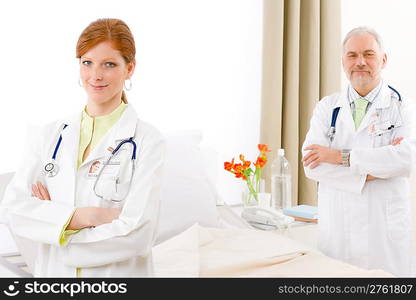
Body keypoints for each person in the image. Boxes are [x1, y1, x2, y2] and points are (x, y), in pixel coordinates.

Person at [0, 18, 165, 277]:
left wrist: (56, 230)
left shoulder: (147, 141)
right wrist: (85, 216)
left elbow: (137, 233)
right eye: (87, 63)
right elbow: (13, 209)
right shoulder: (50, 135)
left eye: (109, 64)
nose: (95, 75)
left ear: (129, 68)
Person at [301, 26, 416, 276]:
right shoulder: (327, 108)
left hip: (383, 236)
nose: (360, 62)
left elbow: (407, 160)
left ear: (383, 60)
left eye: (369, 54)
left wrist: (338, 156)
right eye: (352, 55)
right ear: (343, 61)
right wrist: (376, 169)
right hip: (337, 233)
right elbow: (312, 165)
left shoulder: (403, 107)